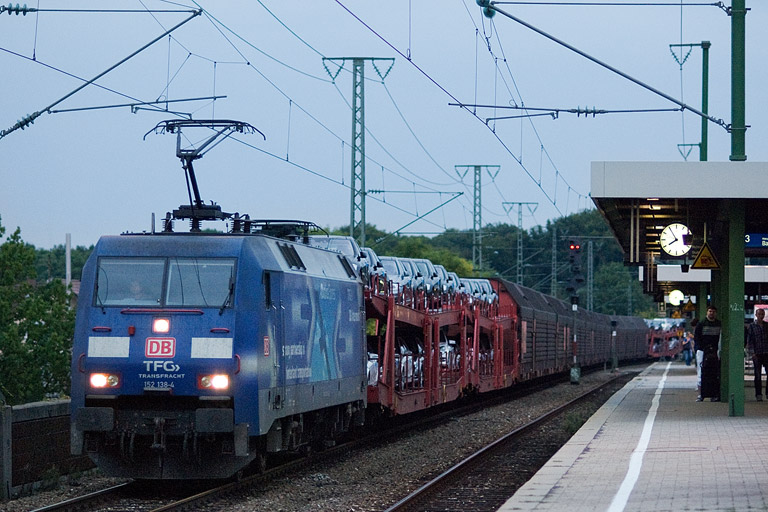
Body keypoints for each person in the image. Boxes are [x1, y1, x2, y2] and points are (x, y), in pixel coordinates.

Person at [694, 305, 721, 402]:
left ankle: (712, 393)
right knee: (701, 372)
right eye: (710, 311)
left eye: (713, 311)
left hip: (714, 350)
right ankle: (701, 394)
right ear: (707, 312)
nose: (711, 313)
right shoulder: (701, 324)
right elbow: (697, 338)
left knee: (714, 372)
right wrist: (699, 349)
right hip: (703, 351)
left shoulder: (718, 324)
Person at [746, 308, 768, 401]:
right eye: (759, 314)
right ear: (756, 315)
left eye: (762, 314)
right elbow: (749, 340)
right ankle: (758, 394)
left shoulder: (767, 326)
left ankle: (767, 393)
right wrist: (752, 353)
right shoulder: (751, 326)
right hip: (757, 353)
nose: (761, 316)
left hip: (766, 352)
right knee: (757, 374)